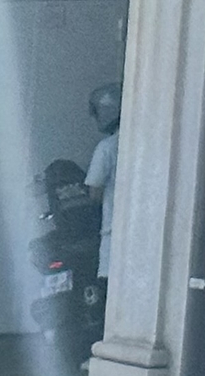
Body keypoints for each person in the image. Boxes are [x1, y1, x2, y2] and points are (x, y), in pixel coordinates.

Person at [86, 81, 121, 307]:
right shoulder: (148, 142)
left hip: (112, 233)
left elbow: (95, 192)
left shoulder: (107, 147)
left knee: (108, 297)